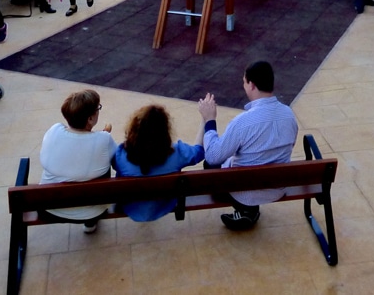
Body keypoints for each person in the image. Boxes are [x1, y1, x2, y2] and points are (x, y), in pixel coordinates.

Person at [197, 60, 298, 231]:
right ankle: (248, 211)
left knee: (210, 164)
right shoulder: (289, 115)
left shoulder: (242, 122)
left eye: (244, 82)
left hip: (244, 192)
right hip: (277, 188)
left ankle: (247, 209)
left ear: (251, 85)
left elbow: (213, 156)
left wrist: (209, 120)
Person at [39, 90, 115, 233]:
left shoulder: (54, 131)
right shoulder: (104, 139)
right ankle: (89, 223)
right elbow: (118, 161)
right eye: (98, 108)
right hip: (93, 210)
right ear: (90, 119)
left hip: (49, 207)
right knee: (105, 163)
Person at [112, 105, 204, 221]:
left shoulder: (121, 155)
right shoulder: (178, 153)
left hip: (131, 208)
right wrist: (205, 120)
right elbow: (199, 151)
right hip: (163, 206)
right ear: (165, 130)